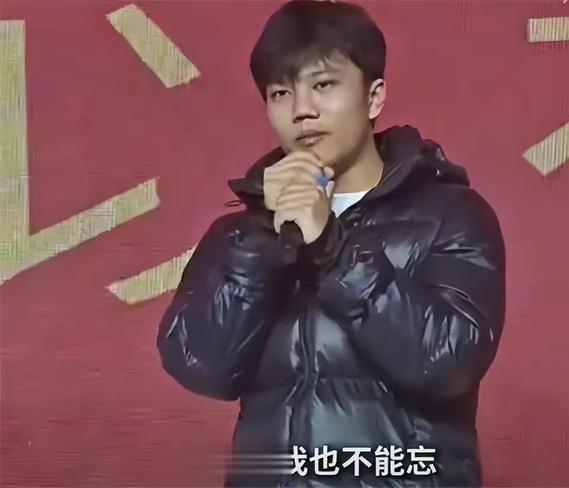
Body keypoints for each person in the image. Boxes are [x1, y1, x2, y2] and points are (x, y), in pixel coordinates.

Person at [156, 0, 506, 486]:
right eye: (281, 92)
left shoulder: (450, 215)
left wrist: (331, 248)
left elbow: (448, 361)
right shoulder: (243, 237)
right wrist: (264, 242)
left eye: (323, 85)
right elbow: (201, 366)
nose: (302, 110)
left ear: (374, 97)